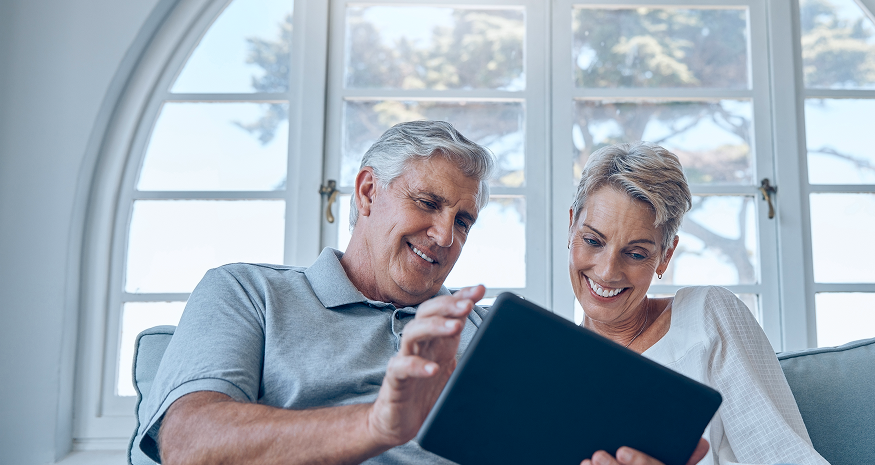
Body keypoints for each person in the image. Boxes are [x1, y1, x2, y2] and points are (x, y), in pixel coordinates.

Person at [136, 121, 703, 465]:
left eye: (463, 221)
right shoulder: (249, 292)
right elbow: (188, 445)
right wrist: (379, 423)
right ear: (366, 191)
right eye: (428, 204)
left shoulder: (489, 334)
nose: (444, 235)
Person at [568, 143, 830, 465]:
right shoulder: (547, 364)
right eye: (593, 241)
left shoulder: (706, 316)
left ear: (665, 256)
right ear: (571, 227)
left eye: (636, 253)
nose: (607, 272)